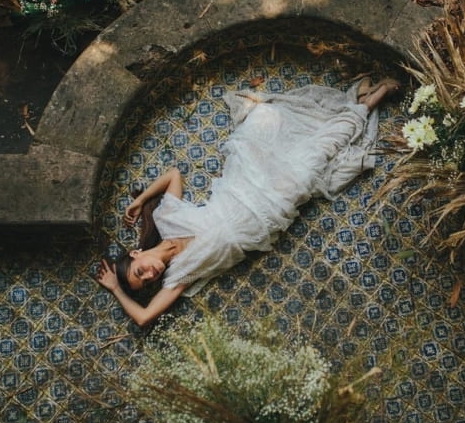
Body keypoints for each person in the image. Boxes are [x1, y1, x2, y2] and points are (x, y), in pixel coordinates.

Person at [96, 77, 398, 326]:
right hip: (267, 212)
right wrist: (114, 290)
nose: (151, 275)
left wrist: (143, 200)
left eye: (140, 272)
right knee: (314, 159)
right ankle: (368, 103)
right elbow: (145, 316)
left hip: (242, 184)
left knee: (267, 121)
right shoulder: (178, 276)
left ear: (136, 253)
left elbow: (173, 174)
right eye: (147, 283)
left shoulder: (165, 218)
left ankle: (357, 105)